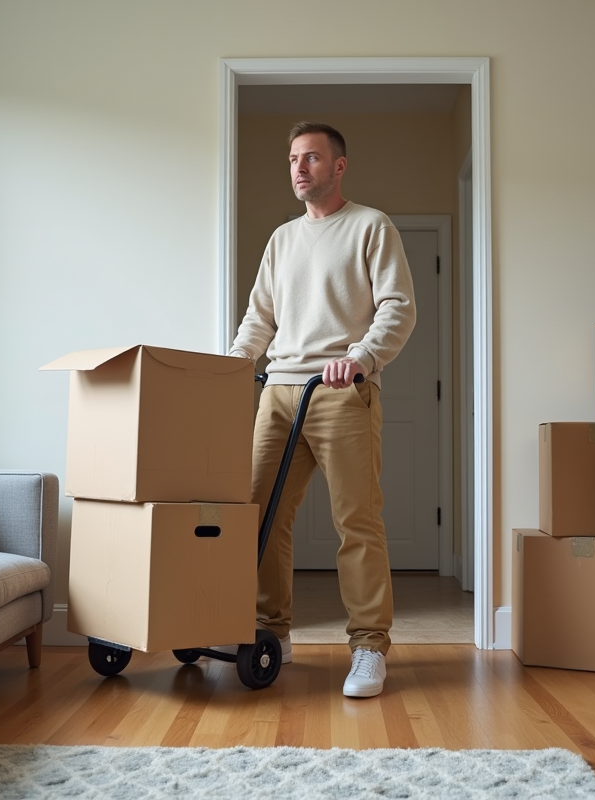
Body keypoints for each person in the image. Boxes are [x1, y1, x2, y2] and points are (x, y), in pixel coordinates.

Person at [227, 121, 416, 698]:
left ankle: (369, 646)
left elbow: (398, 306)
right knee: (259, 515)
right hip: (278, 392)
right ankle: (272, 632)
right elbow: (260, 316)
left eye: (311, 157)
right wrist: (234, 364)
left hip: (339, 391)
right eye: (292, 159)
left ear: (339, 166)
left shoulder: (370, 226)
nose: (299, 168)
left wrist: (360, 357)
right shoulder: (282, 239)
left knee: (356, 521)